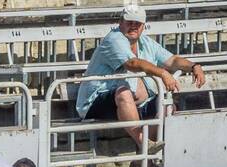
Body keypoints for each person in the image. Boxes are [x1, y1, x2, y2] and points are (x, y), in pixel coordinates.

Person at [74, 3, 207, 150]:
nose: (133, 26)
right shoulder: (114, 39)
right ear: (121, 22)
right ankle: (143, 143)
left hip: (134, 103)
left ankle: (142, 158)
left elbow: (173, 60)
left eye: (137, 23)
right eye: (129, 22)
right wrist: (162, 73)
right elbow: (132, 63)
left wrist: (194, 66)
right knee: (123, 93)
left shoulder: (145, 42)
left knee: (167, 106)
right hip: (96, 101)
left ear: (143, 25)